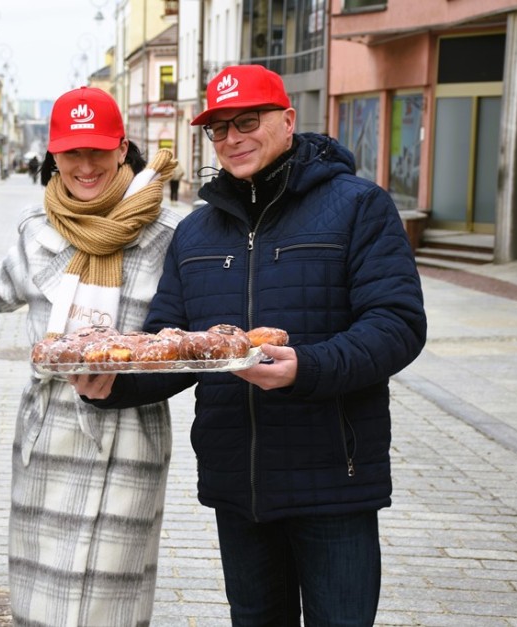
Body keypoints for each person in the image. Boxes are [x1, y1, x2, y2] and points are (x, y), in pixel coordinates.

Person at [71, 64, 427, 625]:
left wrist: (305, 367)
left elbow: (398, 324)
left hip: (333, 478)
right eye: (219, 128)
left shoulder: (359, 206)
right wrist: (110, 386)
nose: (232, 138)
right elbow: (173, 343)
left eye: (247, 121)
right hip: (239, 484)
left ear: (287, 121)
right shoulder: (196, 230)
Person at [0, 86, 182, 626]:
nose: (86, 164)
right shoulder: (36, 231)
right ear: (53, 155)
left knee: (109, 604)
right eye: (72, 151)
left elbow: (185, 337)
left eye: (98, 149)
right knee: (40, 599)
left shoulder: (165, 235)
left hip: (128, 430)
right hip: (47, 431)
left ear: (122, 148)